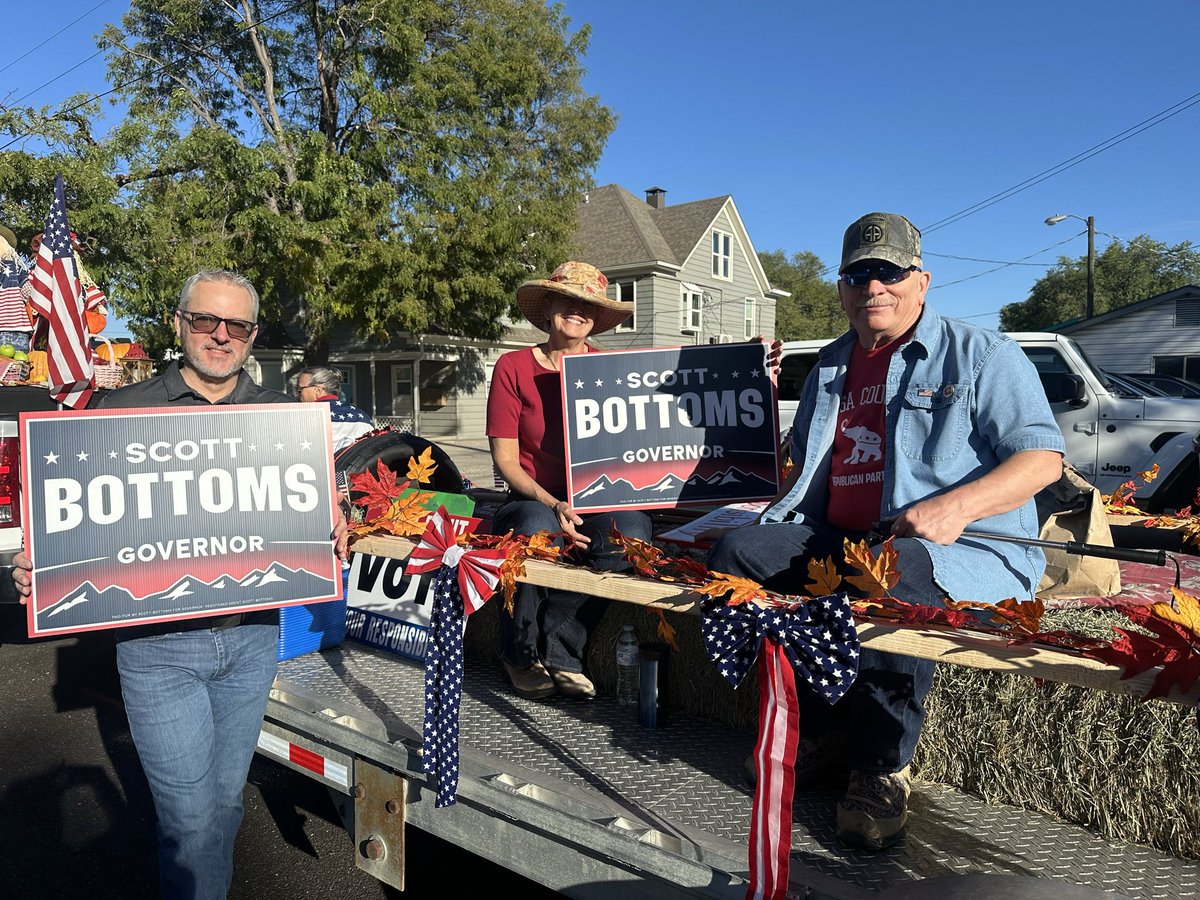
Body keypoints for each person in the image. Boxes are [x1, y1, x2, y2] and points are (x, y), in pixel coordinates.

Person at [707, 212, 1065, 850]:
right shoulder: (828, 366)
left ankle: (879, 767)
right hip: (843, 542)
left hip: (956, 550)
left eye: (889, 273)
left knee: (890, 574)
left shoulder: (984, 354)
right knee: (738, 553)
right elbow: (807, 467)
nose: (873, 286)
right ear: (842, 288)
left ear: (921, 281)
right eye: (858, 275)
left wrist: (955, 507)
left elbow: (1042, 461)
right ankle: (823, 728)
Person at [13, 269, 348, 900]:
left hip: (252, 642)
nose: (221, 336)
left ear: (253, 336)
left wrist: (335, 521)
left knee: (225, 806)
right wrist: (44, 564)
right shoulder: (118, 412)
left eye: (237, 326)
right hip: (157, 650)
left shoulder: (284, 421)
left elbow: (316, 509)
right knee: (191, 822)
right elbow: (73, 523)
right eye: (205, 320)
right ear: (179, 323)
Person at [485, 260, 654, 701]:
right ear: (548, 308)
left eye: (588, 305)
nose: (577, 311)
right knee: (534, 528)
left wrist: (753, 360)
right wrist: (554, 504)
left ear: (597, 318)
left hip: (596, 496)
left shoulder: (612, 369)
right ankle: (519, 653)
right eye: (567, 301)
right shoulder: (512, 366)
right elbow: (505, 460)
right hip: (530, 496)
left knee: (631, 533)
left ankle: (562, 650)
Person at [296, 364, 374, 451]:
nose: (298, 395)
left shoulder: (303, 417)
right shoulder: (362, 417)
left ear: (318, 390)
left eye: (300, 390)